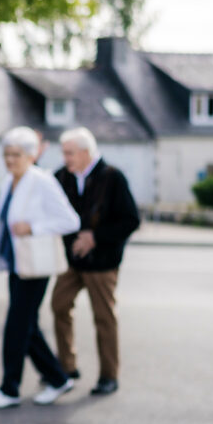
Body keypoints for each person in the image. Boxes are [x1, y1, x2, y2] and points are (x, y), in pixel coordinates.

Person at [0, 126, 81, 409]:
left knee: (16, 326)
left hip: (35, 266)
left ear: (32, 155)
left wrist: (33, 227)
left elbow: (71, 221)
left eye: (16, 155)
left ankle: (9, 389)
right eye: (7, 154)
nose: (10, 160)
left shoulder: (42, 181)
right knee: (28, 326)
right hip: (15, 263)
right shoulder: (9, 182)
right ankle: (58, 379)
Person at [50, 126, 140, 395]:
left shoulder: (113, 177)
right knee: (59, 306)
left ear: (86, 152)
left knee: (104, 318)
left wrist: (95, 237)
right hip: (72, 262)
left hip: (102, 263)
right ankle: (67, 367)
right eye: (64, 153)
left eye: (70, 153)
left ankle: (108, 376)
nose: (65, 158)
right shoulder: (60, 176)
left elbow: (131, 220)